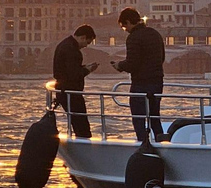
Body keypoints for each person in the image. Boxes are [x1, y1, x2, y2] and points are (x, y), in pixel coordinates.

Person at [111, 8, 165, 141]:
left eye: (124, 26)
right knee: (154, 117)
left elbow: (132, 64)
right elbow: (162, 58)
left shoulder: (133, 38)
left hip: (141, 83)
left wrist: (119, 66)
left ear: (129, 22)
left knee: (138, 118)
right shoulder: (155, 33)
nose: (125, 30)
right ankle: (162, 142)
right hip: (157, 82)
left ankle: (143, 144)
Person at [53, 25, 99, 138]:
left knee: (76, 121)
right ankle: (85, 143)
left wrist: (83, 68)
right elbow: (74, 74)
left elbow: (69, 69)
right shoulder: (72, 50)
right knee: (81, 125)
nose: (86, 46)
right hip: (71, 92)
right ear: (83, 37)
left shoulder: (65, 45)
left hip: (63, 89)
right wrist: (87, 70)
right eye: (87, 42)